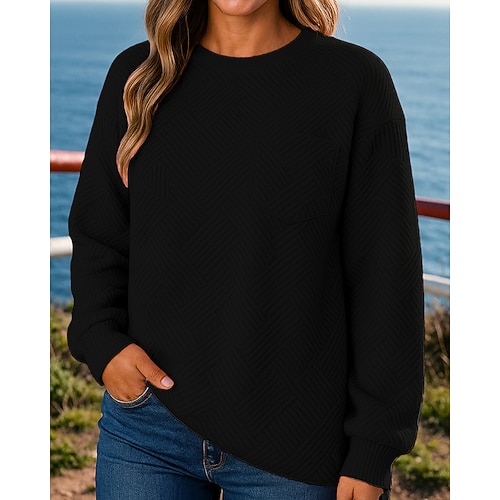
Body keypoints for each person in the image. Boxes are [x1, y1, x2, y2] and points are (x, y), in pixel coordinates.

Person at [67, 0, 424, 498]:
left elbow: (386, 276)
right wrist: (103, 343)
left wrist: (373, 447)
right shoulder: (140, 76)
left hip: (297, 447)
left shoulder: (353, 82)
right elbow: (100, 234)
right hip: (148, 429)